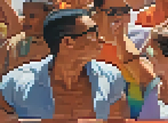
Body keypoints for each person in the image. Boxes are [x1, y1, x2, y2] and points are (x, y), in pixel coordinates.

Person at [0, 9, 129, 120]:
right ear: (67, 42)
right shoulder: (17, 83)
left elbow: (118, 118)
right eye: (93, 33)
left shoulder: (111, 77)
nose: (101, 39)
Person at [92, 0, 156, 119]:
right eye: (113, 11)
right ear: (97, 12)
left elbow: (150, 83)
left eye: (124, 10)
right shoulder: (86, 46)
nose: (119, 16)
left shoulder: (128, 41)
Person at [0, 0, 52, 75]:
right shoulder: (13, 44)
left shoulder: (56, 44)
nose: (26, 21)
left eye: (32, 16)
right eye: (24, 15)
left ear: (47, 16)